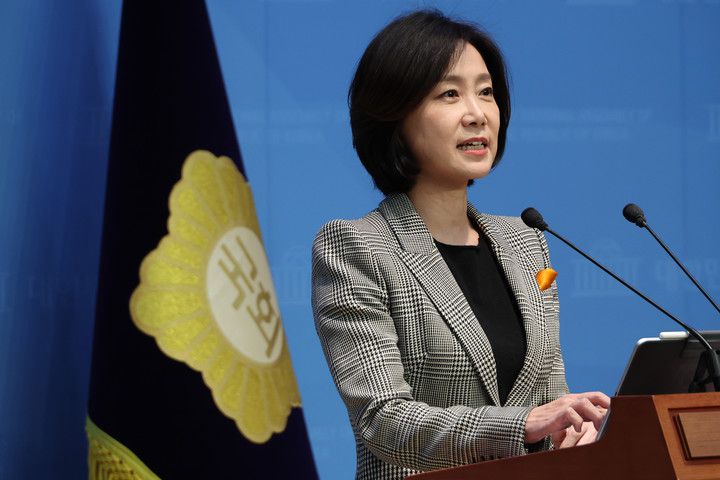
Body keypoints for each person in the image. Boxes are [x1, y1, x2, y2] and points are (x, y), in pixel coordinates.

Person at [311, 10, 610, 480]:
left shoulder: (526, 242)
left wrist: (572, 429)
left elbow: (550, 399)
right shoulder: (357, 248)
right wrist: (523, 424)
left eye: (486, 92)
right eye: (450, 94)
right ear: (395, 117)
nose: (477, 114)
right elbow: (382, 420)